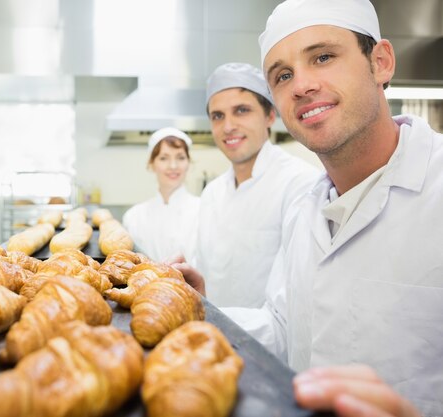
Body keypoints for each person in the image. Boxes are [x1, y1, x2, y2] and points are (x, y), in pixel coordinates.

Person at [174, 0, 443, 416]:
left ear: (381, 62)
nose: (301, 85)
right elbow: (286, 330)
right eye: (282, 75)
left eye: (323, 57)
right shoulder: (308, 209)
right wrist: (200, 310)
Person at [194, 62, 319, 308]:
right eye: (217, 116)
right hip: (210, 340)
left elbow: (295, 307)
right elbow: (205, 272)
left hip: (269, 346)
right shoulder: (211, 194)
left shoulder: (301, 185)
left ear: (270, 115)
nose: (228, 126)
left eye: (241, 110)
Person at [122, 127, 200, 262]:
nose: (173, 166)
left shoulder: (204, 210)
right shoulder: (134, 217)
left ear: (188, 162)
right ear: (152, 164)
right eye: (164, 158)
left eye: (180, 157)